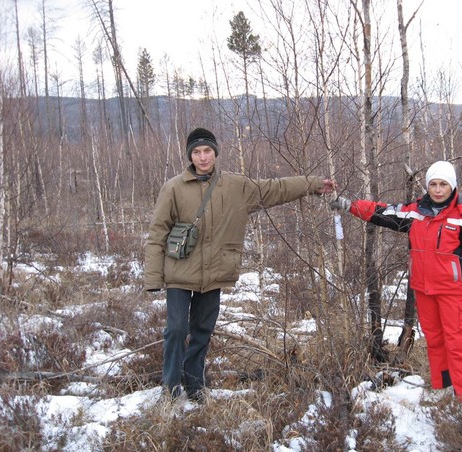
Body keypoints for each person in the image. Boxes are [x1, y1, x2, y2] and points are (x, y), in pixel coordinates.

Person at [144, 127, 336, 401]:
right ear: (189, 156)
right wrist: (153, 278)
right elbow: (157, 233)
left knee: (202, 332)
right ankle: (170, 388)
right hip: (179, 272)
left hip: (214, 273)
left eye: (207, 151)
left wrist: (314, 184)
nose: (202, 157)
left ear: (215, 153)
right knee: (176, 330)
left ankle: (195, 386)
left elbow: (276, 189)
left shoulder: (236, 186)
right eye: (196, 152)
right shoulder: (173, 187)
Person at [330, 160, 462, 418]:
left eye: (443, 184)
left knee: (457, 344)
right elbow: (382, 212)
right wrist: (350, 206)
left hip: (453, 292)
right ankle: (441, 387)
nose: (438, 190)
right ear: (428, 186)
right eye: (433, 184)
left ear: (453, 186)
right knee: (435, 341)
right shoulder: (416, 212)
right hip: (424, 289)